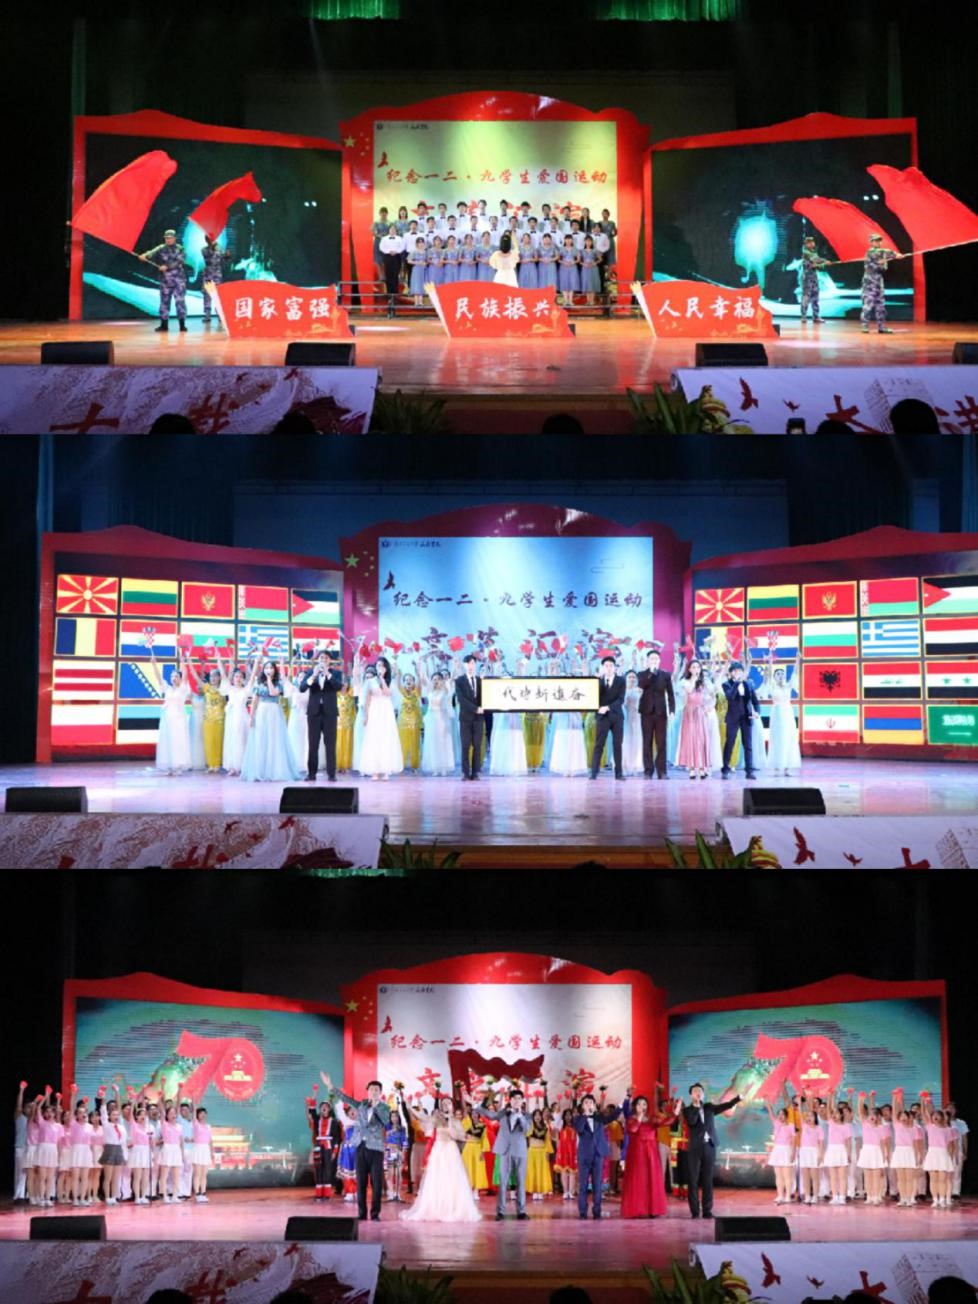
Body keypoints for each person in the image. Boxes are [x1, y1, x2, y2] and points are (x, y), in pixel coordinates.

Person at [400, 1093, 481, 1222]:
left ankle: (453, 1207)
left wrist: (450, 1119)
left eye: (448, 1103)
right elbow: (423, 1117)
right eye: (444, 1104)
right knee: (437, 1178)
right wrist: (409, 1107)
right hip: (438, 1150)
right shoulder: (436, 1118)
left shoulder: (455, 1120)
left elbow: (457, 1136)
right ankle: (437, 1207)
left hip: (451, 1150)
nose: (446, 1105)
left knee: (452, 1178)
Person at [321, 1072, 390, 1221]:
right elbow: (345, 1099)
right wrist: (330, 1086)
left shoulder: (384, 1107)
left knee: (376, 1182)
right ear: (367, 1091)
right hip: (360, 1146)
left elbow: (385, 1121)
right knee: (361, 1182)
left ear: (380, 1092)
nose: (373, 1092)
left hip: (376, 1149)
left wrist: (376, 1106)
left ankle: (375, 1214)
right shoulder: (361, 1105)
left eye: (376, 1090)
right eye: (371, 1089)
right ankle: (362, 1213)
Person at [676, 1083, 741, 1219]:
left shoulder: (709, 1107)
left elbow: (725, 1106)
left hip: (709, 1146)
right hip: (695, 1148)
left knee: (708, 1180)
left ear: (703, 1094)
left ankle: (707, 1210)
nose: (698, 1093)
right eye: (695, 1091)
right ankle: (695, 1211)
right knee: (693, 1180)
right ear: (691, 1095)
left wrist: (738, 1099)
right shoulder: (687, 1110)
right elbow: (692, 1122)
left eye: (700, 1091)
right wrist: (696, 1107)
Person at [474, 1087, 533, 1220]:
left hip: (520, 1151)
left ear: (522, 1101)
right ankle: (500, 1212)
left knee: (521, 1182)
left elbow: (526, 1129)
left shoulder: (527, 1115)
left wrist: (520, 1115)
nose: (517, 1101)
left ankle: (521, 1211)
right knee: (503, 1182)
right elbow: (490, 1115)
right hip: (505, 1150)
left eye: (519, 1099)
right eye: (514, 1099)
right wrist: (478, 1105)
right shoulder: (503, 1113)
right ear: (510, 1100)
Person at [241, 660, 301, 782]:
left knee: (274, 740)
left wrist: (269, 680)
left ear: (275, 670)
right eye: (266, 668)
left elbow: (273, 693)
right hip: (262, 712)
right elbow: (254, 701)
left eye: (271, 668)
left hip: (274, 712)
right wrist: (251, 717)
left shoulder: (279, 683)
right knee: (261, 740)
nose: (268, 670)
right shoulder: (258, 683)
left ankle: (275, 771)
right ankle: (260, 771)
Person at [620, 1093, 669, 1218]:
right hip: (637, 1153)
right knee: (638, 1180)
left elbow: (666, 1122)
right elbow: (633, 1129)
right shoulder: (631, 1119)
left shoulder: (651, 1119)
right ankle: (637, 1209)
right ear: (634, 1106)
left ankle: (652, 1209)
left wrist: (675, 1112)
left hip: (651, 1153)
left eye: (644, 1104)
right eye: (639, 1104)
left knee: (651, 1180)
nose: (642, 1106)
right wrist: (639, 1117)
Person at [147, 644, 192, 775]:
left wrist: (183, 663)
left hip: (179, 718)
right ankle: (170, 766)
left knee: (178, 740)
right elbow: (159, 678)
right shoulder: (167, 688)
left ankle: (178, 766)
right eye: (172, 676)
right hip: (168, 718)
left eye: (176, 676)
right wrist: (154, 664)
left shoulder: (183, 689)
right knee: (168, 741)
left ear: (180, 678)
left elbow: (185, 676)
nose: (173, 678)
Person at [301, 651, 343, 782]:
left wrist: (328, 673)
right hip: (314, 713)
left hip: (330, 713)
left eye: (326, 658)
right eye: (321, 657)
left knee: (330, 744)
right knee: (313, 744)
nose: (323, 660)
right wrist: (314, 675)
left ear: (330, 660)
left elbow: (338, 687)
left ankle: (331, 774)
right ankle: (311, 773)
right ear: (318, 660)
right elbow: (302, 688)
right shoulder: (310, 672)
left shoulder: (336, 673)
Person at [359, 657, 403, 781]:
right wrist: (366, 716)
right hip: (374, 710)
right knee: (374, 738)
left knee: (386, 738)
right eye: (378, 665)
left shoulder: (390, 681)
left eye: (382, 666)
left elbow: (387, 693)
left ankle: (386, 770)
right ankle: (375, 770)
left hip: (386, 711)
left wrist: (382, 679)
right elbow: (367, 700)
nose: (380, 668)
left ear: (386, 668)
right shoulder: (370, 682)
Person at [574, 1093, 617, 1219]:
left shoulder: (599, 1118)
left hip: (598, 1155)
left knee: (597, 1185)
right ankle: (583, 1212)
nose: (589, 1105)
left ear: (594, 1105)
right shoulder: (578, 1119)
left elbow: (612, 1117)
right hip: (584, 1156)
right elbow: (579, 1129)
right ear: (582, 1106)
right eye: (586, 1103)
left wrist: (622, 1105)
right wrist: (585, 1115)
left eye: (591, 1103)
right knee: (583, 1185)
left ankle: (597, 1211)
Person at [758, 653, 801, 774]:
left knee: (789, 739)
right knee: (778, 739)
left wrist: (797, 659)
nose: (781, 676)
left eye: (782, 674)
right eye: (778, 674)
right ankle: (777, 767)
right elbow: (768, 676)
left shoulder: (788, 685)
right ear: (775, 677)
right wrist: (770, 662)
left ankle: (787, 767)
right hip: (777, 714)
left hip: (788, 714)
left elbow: (795, 673)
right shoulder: (772, 686)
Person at [140, 229, 190, 333]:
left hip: (179, 281)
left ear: (175, 238)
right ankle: (164, 325)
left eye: (170, 238)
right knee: (164, 303)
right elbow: (150, 254)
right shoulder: (161, 248)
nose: (168, 240)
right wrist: (144, 256)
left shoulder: (180, 249)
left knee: (180, 302)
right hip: (165, 281)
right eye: (166, 238)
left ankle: (182, 325)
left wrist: (167, 267)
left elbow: (179, 261)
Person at [637, 648, 675, 779]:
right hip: (646, 712)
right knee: (647, 741)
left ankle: (662, 771)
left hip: (661, 713)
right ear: (648, 661)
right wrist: (651, 674)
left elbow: (671, 694)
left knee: (661, 742)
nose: (654, 661)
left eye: (656, 659)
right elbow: (642, 685)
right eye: (652, 659)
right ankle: (648, 771)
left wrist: (672, 711)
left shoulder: (665, 675)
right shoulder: (642, 674)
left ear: (659, 661)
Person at [721, 662, 760, 780]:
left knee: (748, 745)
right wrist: (737, 682)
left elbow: (755, 701)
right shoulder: (726, 684)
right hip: (733, 717)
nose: (737, 672)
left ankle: (749, 771)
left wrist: (757, 712)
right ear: (730, 673)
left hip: (746, 716)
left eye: (739, 670)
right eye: (735, 671)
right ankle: (725, 769)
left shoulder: (749, 684)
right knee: (730, 743)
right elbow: (730, 696)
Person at [590, 655, 625, 780]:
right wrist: (597, 681)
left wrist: (608, 707)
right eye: (606, 666)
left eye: (611, 666)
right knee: (599, 745)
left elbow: (621, 699)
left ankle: (619, 774)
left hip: (616, 716)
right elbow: (593, 697)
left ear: (614, 668)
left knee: (617, 745)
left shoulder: (621, 680)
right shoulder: (598, 680)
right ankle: (594, 773)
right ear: (602, 667)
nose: (609, 668)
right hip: (602, 717)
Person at [861, 233, 899, 334]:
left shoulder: (881, 254)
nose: (878, 242)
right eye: (875, 241)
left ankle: (881, 327)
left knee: (880, 305)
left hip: (878, 281)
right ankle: (865, 326)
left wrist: (895, 256)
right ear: (871, 242)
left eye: (879, 241)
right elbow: (883, 253)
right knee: (868, 304)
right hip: (870, 282)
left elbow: (883, 267)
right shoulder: (871, 252)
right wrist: (895, 254)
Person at [456, 654, 485, 781]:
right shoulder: (459, 681)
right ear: (464, 665)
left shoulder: (480, 680)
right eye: (468, 663)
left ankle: (476, 772)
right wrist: (475, 709)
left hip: (479, 719)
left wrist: (484, 707)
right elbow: (461, 699)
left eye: (473, 663)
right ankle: (465, 772)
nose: (470, 666)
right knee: (465, 745)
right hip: (465, 718)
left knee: (477, 745)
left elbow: (486, 697)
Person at [307, 1096, 342, 1201]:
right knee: (318, 1169)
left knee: (327, 1170)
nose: (324, 1108)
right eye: (322, 1106)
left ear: (329, 1109)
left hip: (328, 1146)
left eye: (326, 1106)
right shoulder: (317, 1119)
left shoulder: (334, 1122)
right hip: (318, 1146)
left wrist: (335, 1151)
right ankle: (319, 1194)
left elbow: (336, 1138)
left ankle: (327, 1195)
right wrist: (314, 1096)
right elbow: (312, 1112)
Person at [764, 1102, 797, 1205]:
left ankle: (788, 1196)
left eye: (782, 1114)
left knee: (787, 1176)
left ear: (786, 1116)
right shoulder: (777, 1124)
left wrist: (793, 1153)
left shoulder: (791, 1126)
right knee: (778, 1176)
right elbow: (771, 1115)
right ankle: (780, 1195)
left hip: (787, 1150)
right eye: (779, 1114)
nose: (780, 1116)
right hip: (777, 1150)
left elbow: (794, 1141)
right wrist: (769, 1105)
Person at [798, 235, 829, 324]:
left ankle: (816, 316)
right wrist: (824, 262)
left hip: (814, 277)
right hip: (807, 278)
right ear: (806, 244)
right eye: (809, 243)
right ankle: (803, 316)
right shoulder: (806, 252)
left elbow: (816, 264)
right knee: (806, 296)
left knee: (815, 297)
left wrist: (823, 263)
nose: (812, 244)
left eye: (812, 242)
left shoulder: (813, 252)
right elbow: (816, 260)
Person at [200, 235, 229, 326]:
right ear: (206, 240)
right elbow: (209, 259)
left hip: (217, 276)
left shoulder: (219, 250)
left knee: (218, 296)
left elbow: (224, 261)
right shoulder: (204, 250)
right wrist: (214, 248)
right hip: (208, 276)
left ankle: (220, 315)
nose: (212, 240)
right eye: (209, 239)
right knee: (207, 296)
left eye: (213, 239)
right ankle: (207, 316)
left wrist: (227, 256)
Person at [379, 225, 405, 297]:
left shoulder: (400, 238)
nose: (393, 230)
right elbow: (381, 247)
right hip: (387, 257)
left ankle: (395, 293)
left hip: (397, 257)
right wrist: (389, 251)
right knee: (388, 274)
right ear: (389, 230)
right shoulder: (384, 238)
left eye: (394, 229)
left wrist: (396, 251)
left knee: (395, 274)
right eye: (391, 229)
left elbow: (402, 247)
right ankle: (389, 293)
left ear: (396, 230)